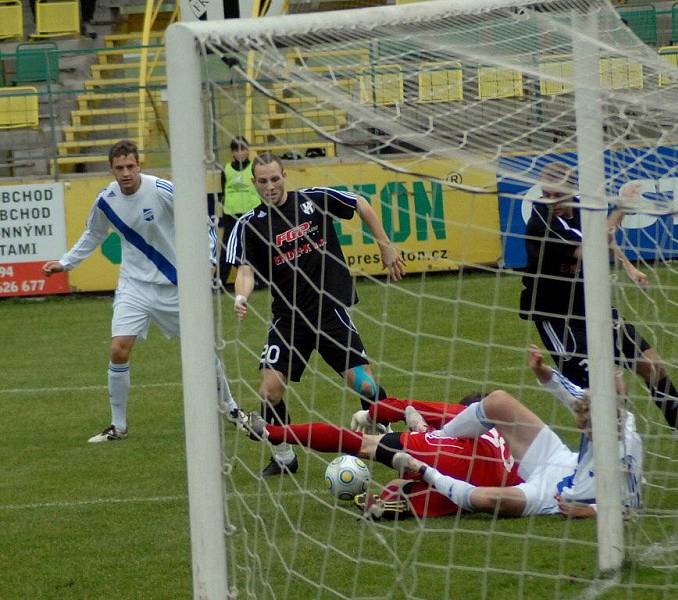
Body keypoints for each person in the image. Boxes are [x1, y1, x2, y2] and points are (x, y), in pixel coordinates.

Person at [242, 345, 642, 521]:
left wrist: (586, 510)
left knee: (482, 498)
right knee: (499, 403)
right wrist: (548, 376)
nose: (581, 419)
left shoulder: (627, 445)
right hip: (551, 464)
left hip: (548, 494)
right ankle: (397, 497)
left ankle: (277, 433)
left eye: (585, 418)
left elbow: (630, 506)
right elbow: (576, 398)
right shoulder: (601, 413)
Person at [519, 161, 678, 464]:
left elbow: (600, 238)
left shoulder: (580, 207)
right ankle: (598, 475)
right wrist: (621, 208)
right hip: (558, 317)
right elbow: (590, 246)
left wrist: (629, 267)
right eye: (547, 193)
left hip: (591, 304)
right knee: (598, 396)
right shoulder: (542, 224)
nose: (551, 200)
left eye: (557, 194)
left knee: (653, 367)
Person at [42, 139, 241, 442]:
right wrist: (66, 262)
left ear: (139, 165)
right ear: (111, 169)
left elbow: (203, 222)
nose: (125, 173)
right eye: (119, 168)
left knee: (202, 350)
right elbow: (93, 233)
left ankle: (230, 407)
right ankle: (118, 426)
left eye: (130, 167)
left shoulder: (162, 189)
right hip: (134, 286)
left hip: (176, 285)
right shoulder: (106, 201)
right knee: (119, 348)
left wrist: (210, 257)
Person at [226, 152, 406, 477]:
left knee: (365, 386)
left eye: (275, 178)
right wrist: (241, 295)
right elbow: (246, 270)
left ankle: (386, 442)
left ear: (285, 176)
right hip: (288, 320)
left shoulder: (314, 200)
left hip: (329, 312)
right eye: (263, 181)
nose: (270, 186)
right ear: (254, 183)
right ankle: (284, 457)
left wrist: (385, 244)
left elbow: (361, 204)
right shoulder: (249, 225)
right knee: (268, 390)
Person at [216, 137, 262, 288]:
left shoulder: (255, 168)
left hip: (252, 214)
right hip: (232, 215)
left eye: (243, 149)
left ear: (248, 149)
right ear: (232, 153)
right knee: (227, 249)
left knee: (258, 247)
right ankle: (220, 281)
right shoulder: (227, 169)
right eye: (237, 150)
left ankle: (261, 279)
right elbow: (223, 192)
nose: (241, 153)